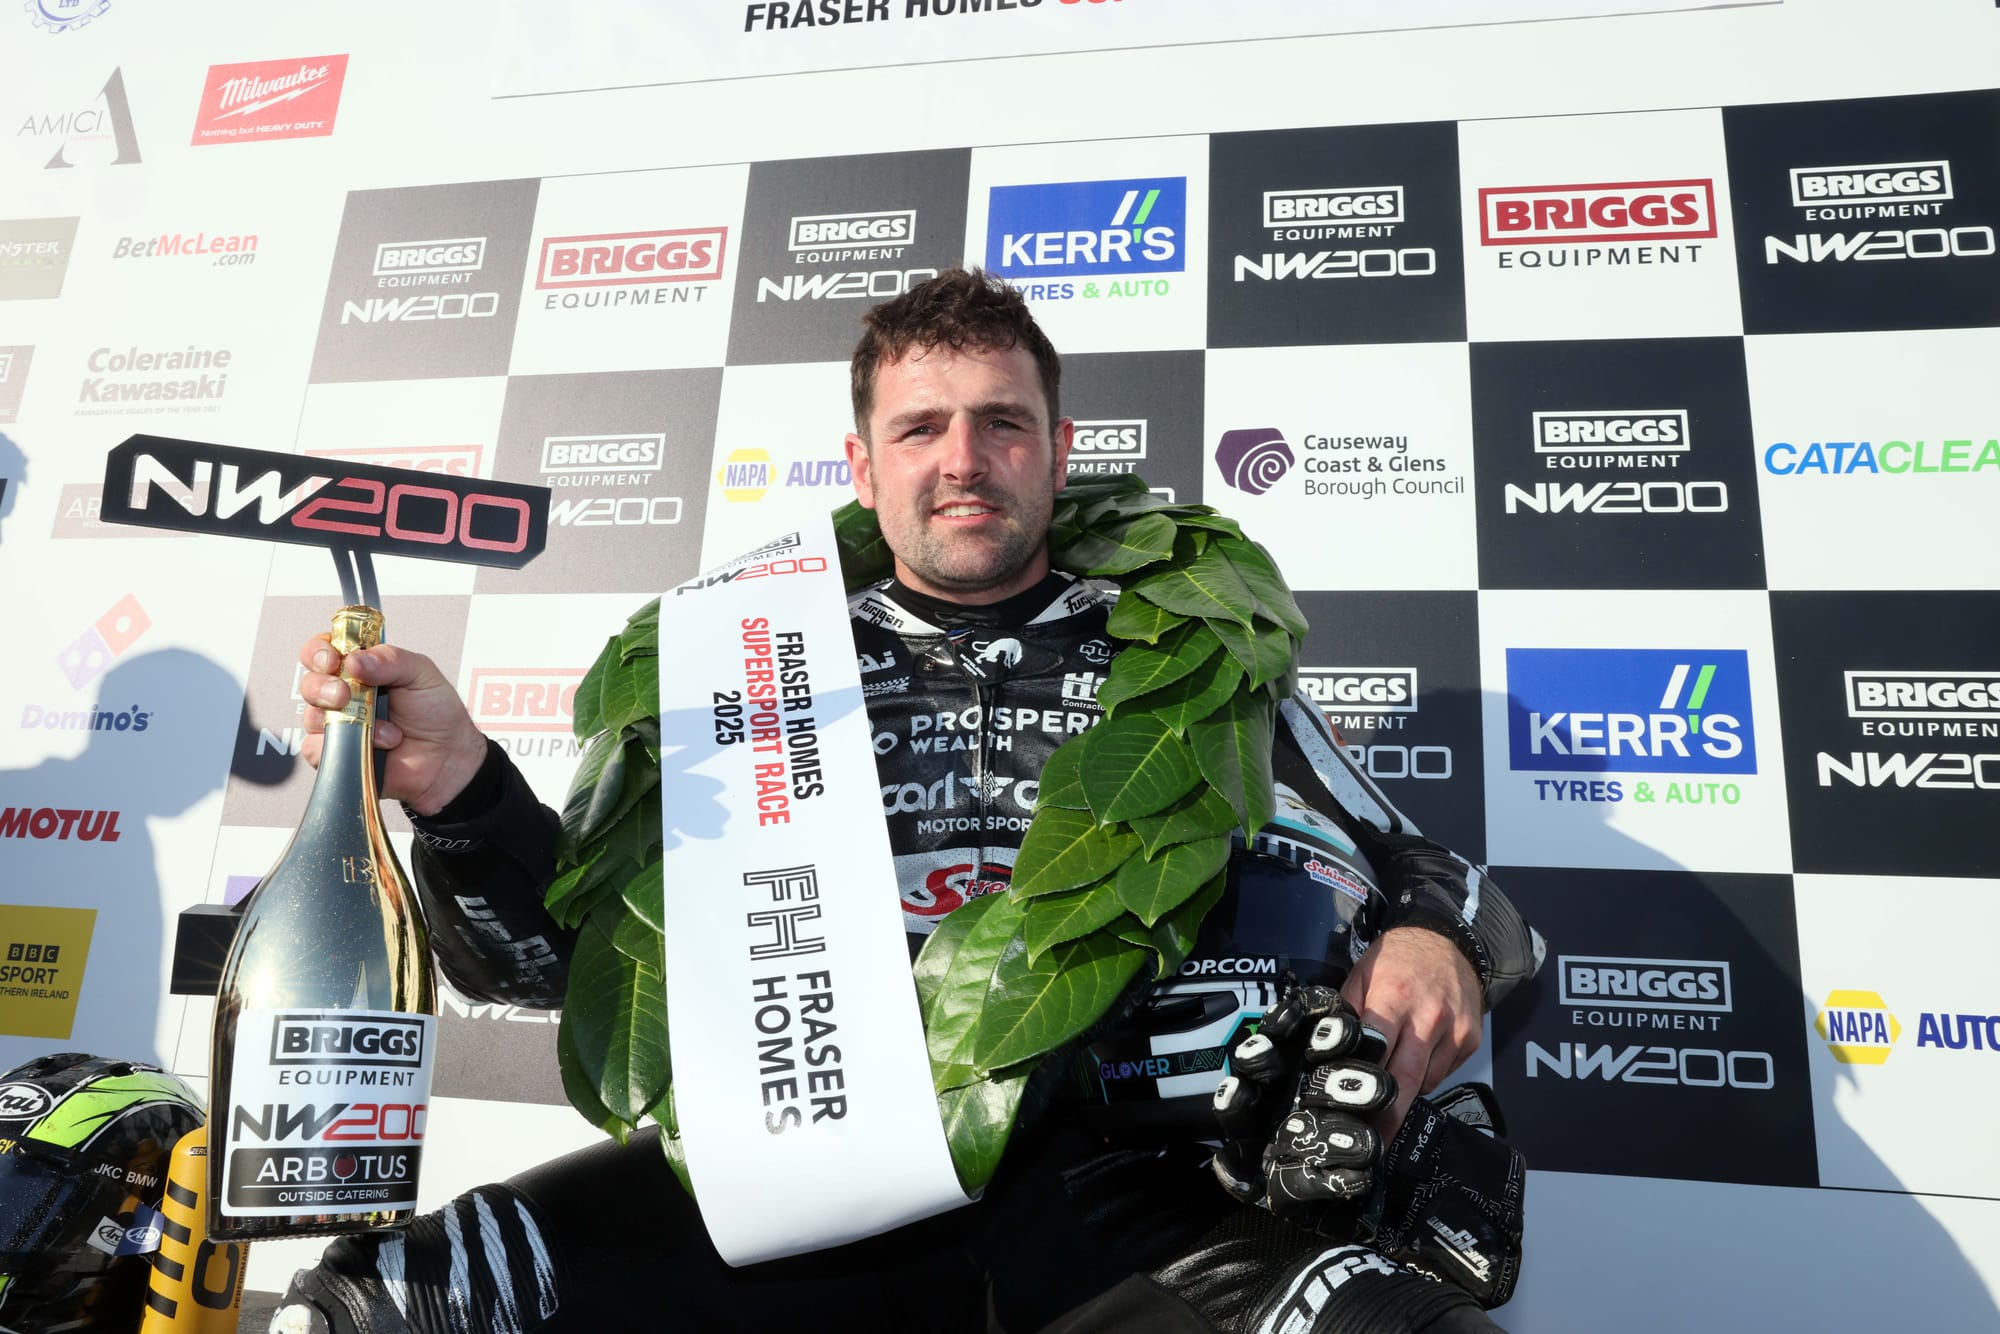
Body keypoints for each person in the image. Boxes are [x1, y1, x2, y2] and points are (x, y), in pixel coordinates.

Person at [270, 269, 1541, 1334]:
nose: (963, 461)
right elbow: (560, 969)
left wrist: (1429, 941)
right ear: (862, 465)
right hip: (801, 1179)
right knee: (379, 1307)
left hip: (1131, 1191)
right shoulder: (740, 654)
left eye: (1002, 422)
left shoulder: (1194, 648)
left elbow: (1453, 888)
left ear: (1060, 449)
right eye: (920, 427)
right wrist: (459, 788)